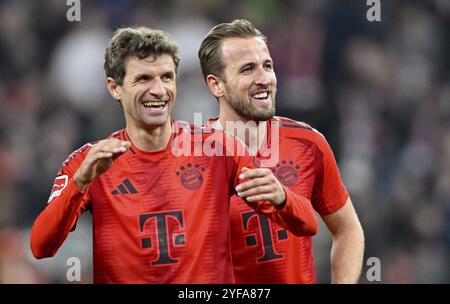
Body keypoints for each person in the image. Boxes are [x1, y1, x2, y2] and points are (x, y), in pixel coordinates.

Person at [30, 26, 317, 283]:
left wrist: (281, 196)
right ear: (114, 88)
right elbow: (41, 246)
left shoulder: (219, 149)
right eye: (143, 78)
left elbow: (307, 223)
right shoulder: (89, 162)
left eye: (167, 77)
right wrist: (79, 184)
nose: (159, 90)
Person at [198, 19, 365, 283]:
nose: (263, 79)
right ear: (216, 85)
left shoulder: (309, 143)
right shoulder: (189, 157)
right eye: (248, 70)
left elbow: (348, 230)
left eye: (267, 66)